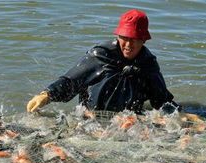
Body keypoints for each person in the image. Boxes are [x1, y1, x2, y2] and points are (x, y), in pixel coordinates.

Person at [26, 9, 179, 115]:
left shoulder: (148, 63)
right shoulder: (101, 55)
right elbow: (72, 80)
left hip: (128, 119)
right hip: (92, 115)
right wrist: (47, 95)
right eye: (124, 38)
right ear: (118, 36)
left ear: (144, 40)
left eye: (134, 40)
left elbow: (161, 99)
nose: (128, 45)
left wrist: (179, 115)